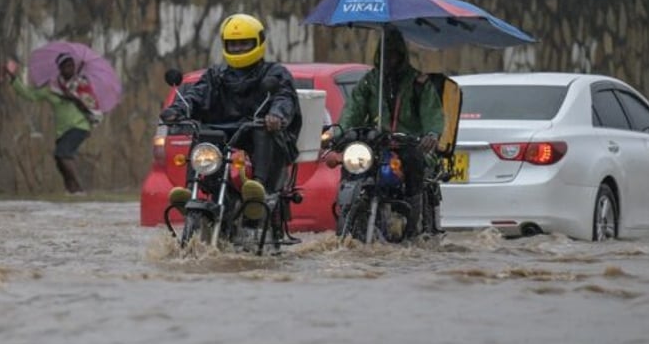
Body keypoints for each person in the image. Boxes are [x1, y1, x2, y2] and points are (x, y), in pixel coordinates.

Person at [159, 13, 302, 221]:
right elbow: (195, 95)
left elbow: (284, 97)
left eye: (244, 44)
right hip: (223, 139)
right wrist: (177, 110)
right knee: (203, 134)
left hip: (262, 139)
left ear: (259, 43)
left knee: (260, 129)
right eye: (233, 44)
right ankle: (191, 189)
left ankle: (257, 191)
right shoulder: (216, 75)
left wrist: (276, 115)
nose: (238, 49)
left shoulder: (275, 73)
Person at [336, 25, 444, 237]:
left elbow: (432, 112)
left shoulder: (418, 83)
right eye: (386, 54)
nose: (390, 60)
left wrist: (431, 134)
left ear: (402, 56)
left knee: (414, 162)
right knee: (352, 164)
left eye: (394, 55)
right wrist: (341, 133)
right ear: (379, 55)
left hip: (409, 143)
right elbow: (353, 110)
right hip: (376, 142)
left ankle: (413, 224)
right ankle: (349, 212)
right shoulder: (369, 81)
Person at [4, 53, 103, 195]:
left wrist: (74, 98)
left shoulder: (81, 84)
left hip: (80, 126)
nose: (71, 69)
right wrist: (13, 78)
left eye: (72, 65)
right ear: (60, 68)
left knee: (62, 153)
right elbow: (30, 95)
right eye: (67, 66)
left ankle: (79, 189)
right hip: (62, 130)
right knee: (59, 158)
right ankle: (71, 189)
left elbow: (90, 105)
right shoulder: (51, 88)